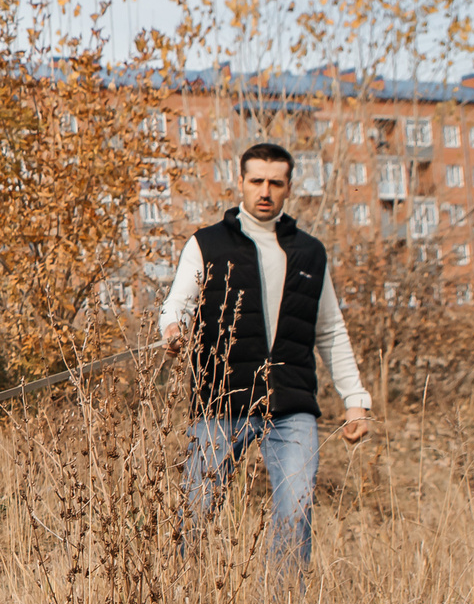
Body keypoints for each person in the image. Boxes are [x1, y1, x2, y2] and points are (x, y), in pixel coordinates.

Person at [158, 141, 371, 575]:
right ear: (240, 182)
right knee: (194, 515)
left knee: (296, 513)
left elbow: (330, 329)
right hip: (222, 402)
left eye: (275, 182)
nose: (265, 191)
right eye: (256, 181)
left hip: (292, 408)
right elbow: (177, 303)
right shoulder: (207, 244)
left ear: (289, 187)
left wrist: (355, 400)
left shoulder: (310, 253)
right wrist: (173, 329)